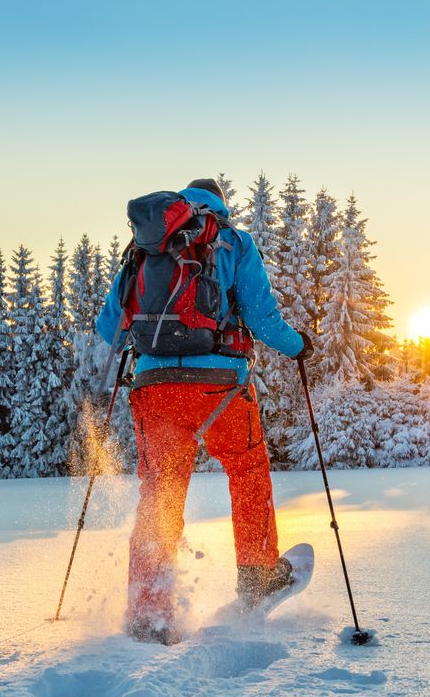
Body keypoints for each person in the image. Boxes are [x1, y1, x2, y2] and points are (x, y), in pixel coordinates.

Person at [96, 177, 312, 644]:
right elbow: (261, 317)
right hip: (221, 388)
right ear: (220, 205)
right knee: (247, 468)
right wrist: (298, 347)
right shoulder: (232, 241)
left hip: (154, 389)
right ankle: (257, 576)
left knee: (160, 492)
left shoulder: (144, 247)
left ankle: (149, 612)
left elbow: (108, 326)